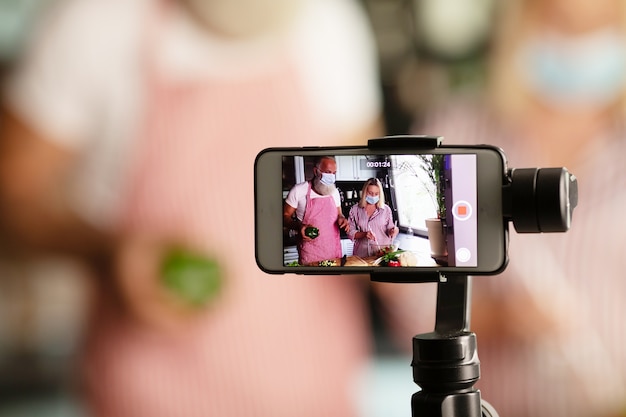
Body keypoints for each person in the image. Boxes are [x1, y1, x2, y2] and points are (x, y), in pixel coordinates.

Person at [0, 0, 383, 416]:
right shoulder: (95, 20)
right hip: (149, 397)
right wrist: (106, 254)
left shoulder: (330, 21)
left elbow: (360, 205)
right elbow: (12, 199)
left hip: (314, 393)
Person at [397, 0, 626, 415]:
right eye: (562, 22)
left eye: (601, 25)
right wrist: (503, 317)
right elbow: (409, 290)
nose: (581, 42)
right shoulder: (460, 130)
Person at [283, 156, 350, 265]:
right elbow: (284, 216)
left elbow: (339, 214)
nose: (332, 177)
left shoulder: (334, 192)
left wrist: (342, 219)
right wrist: (298, 226)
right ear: (316, 171)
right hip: (310, 254)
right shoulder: (299, 190)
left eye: (334, 173)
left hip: (333, 251)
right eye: (328, 172)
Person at [347, 178, 398, 257]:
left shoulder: (386, 209)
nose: (373, 196)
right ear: (365, 192)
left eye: (376, 193)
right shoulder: (355, 209)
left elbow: (390, 230)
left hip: (382, 253)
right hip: (362, 254)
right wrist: (364, 234)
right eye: (370, 193)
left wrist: (394, 231)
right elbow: (350, 232)